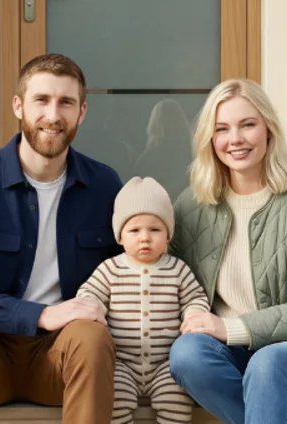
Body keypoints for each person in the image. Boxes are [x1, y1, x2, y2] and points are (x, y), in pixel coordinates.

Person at [0, 54, 124, 424]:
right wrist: (40, 314)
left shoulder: (105, 185)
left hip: (62, 360)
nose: (53, 115)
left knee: (92, 339)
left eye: (66, 102)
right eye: (41, 100)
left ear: (82, 112)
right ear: (19, 106)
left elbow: (127, 271)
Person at [168, 79, 287, 424]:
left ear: (268, 130)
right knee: (186, 355)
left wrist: (231, 328)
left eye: (248, 125)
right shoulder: (190, 206)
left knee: (268, 364)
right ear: (210, 139)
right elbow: (174, 283)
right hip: (226, 357)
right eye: (222, 129)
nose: (235, 139)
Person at [77, 176, 210, 424]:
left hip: (165, 363)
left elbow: (196, 298)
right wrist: (92, 307)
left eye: (155, 229)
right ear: (120, 236)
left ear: (168, 235)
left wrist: (194, 314)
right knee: (112, 397)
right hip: (122, 363)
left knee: (177, 401)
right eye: (134, 230)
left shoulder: (177, 269)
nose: (145, 238)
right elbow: (89, 294)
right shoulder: (110, 269)